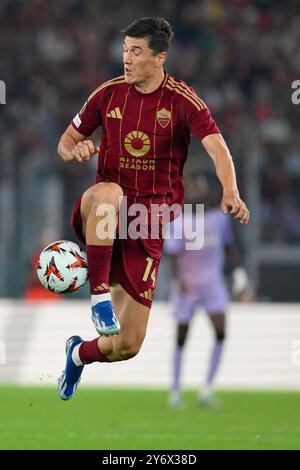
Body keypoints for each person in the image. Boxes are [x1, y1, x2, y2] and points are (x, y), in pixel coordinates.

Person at [56, 17, 250, 400]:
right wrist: (73, 150)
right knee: (108, 192)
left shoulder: (182, 100)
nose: (126, 59)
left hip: (146, 228)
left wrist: (231, 190)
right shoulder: (107, 94)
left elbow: (217, 146)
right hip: (102, 215)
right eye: (125, 49)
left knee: (126, 346)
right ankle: (98, 300)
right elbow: (66, 141)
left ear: (160, 57)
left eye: (136, 51)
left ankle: (77, 353)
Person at [165, 175, 252, 409]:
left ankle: (207, 389)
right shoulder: (178, 221)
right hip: (188, 286)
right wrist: (179, 280)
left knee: (221, 332)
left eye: (198, 189)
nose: (195, 193)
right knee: (181, 338)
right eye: (191, 189)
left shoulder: (218, 219)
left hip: (212, 284)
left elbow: (229, 247)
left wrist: (239, 276)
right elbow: (172, 255)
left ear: (205, 193)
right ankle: (175, 391)